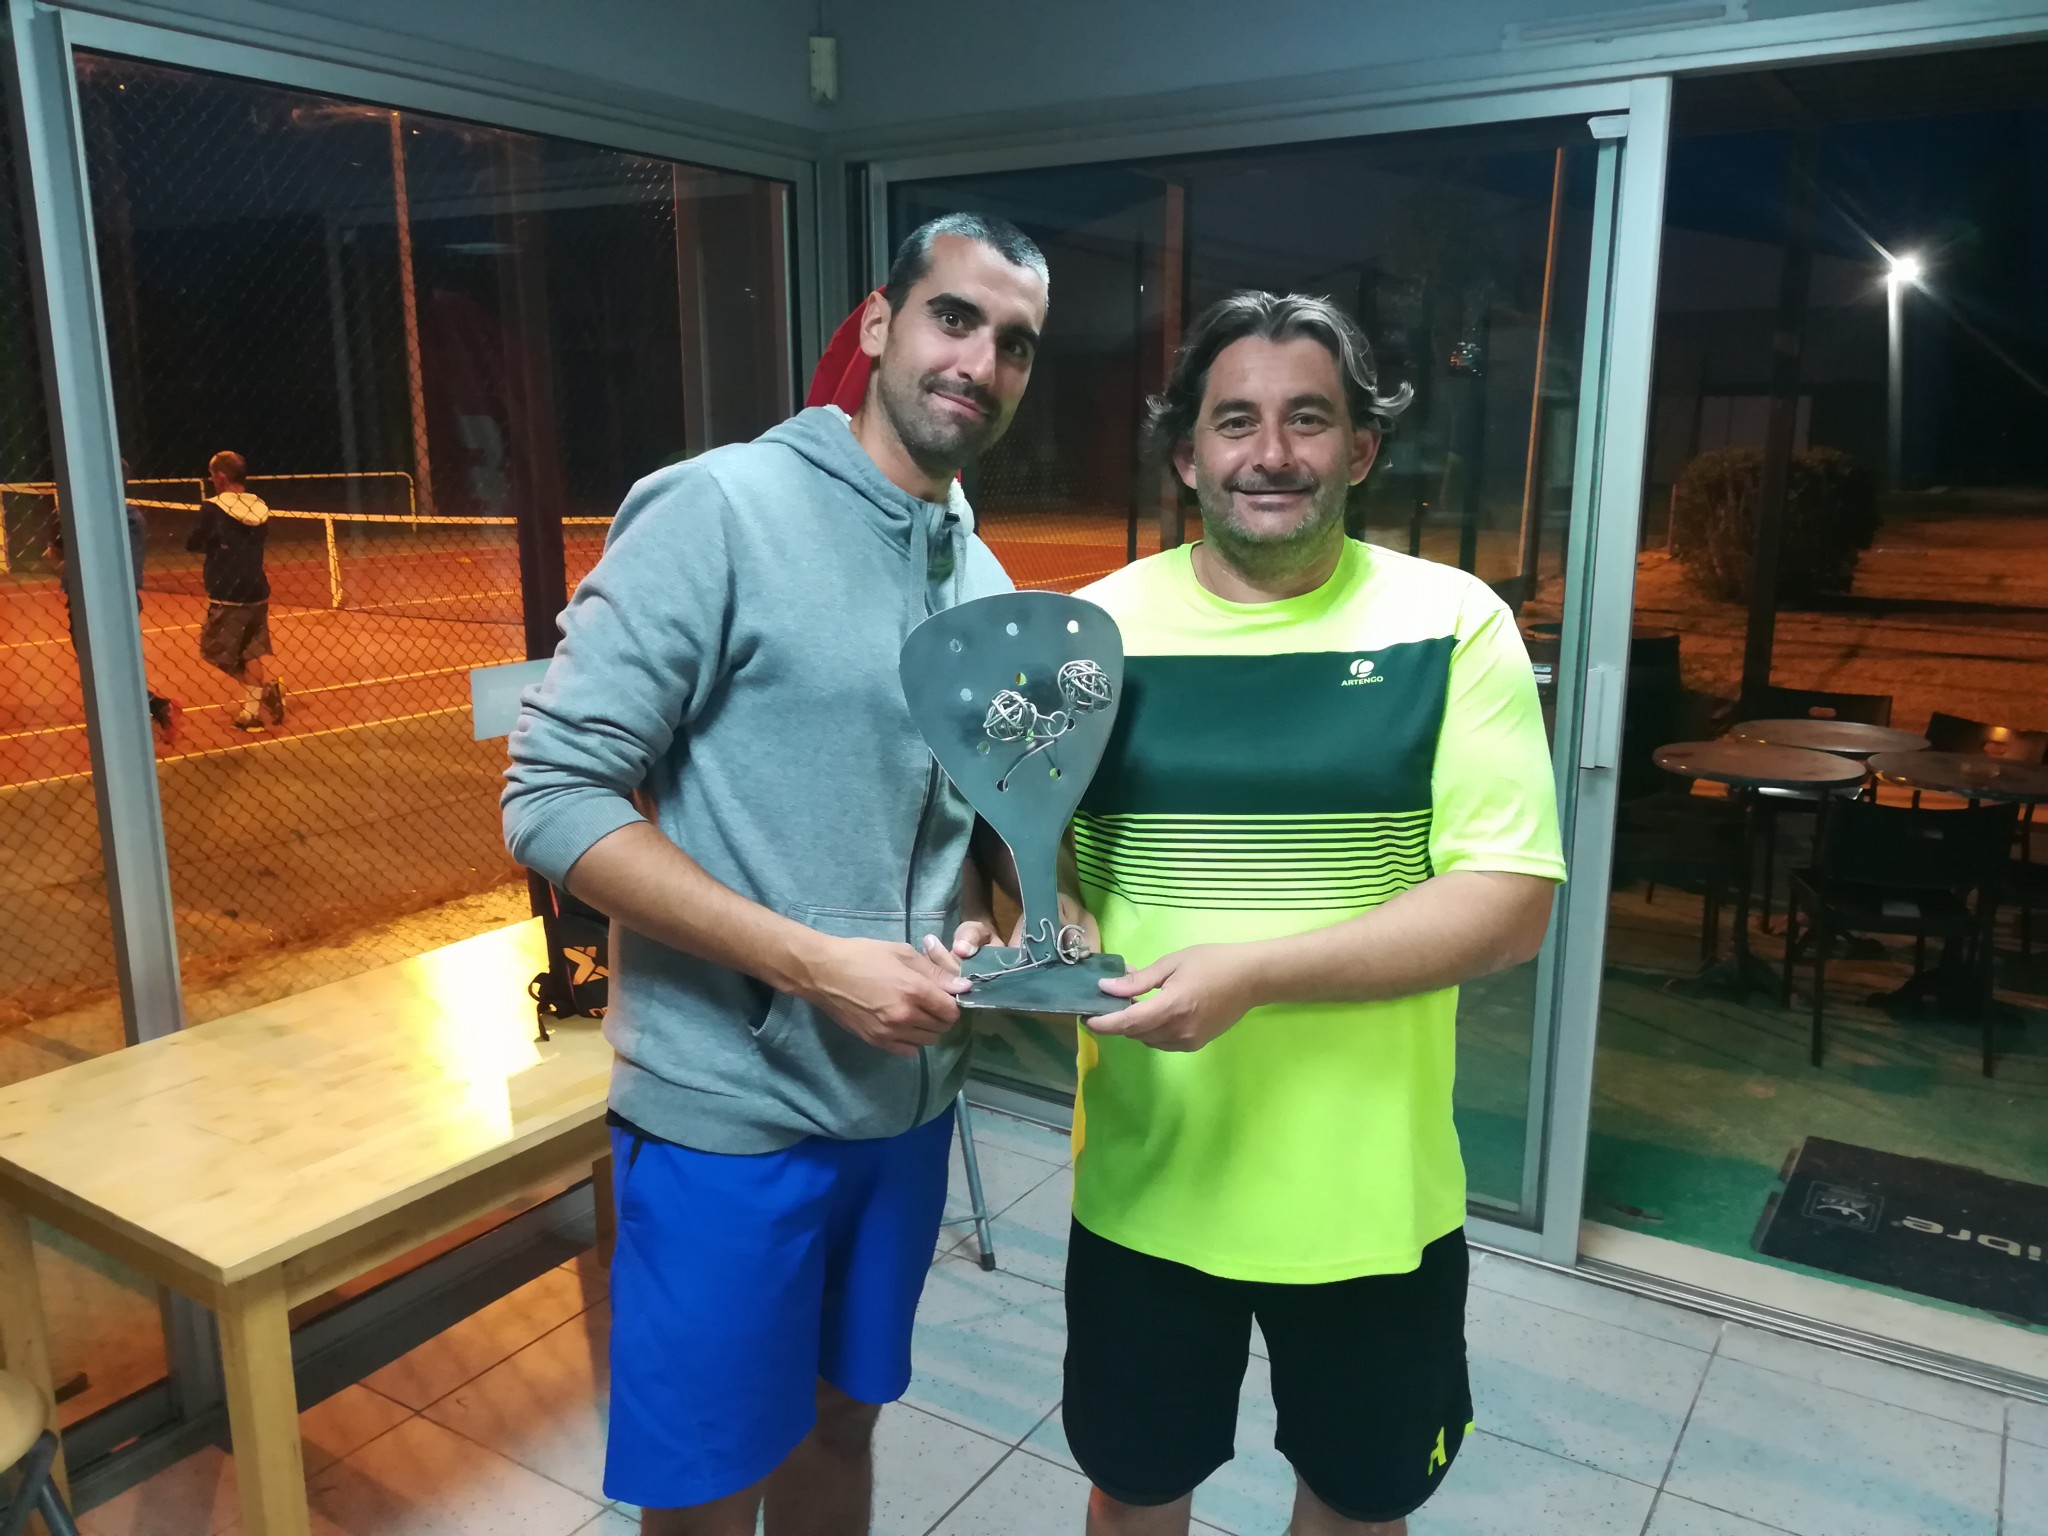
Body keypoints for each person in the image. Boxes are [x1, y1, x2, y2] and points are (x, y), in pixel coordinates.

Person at [502, 211, 1050, 1536]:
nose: (979, 361)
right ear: (880, 323)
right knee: (707, 1487)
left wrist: (997, 922)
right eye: (954, 317)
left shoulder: (980, 574)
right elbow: (551, 798)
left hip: (904, 1110)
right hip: (728, 1119)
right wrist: (811, 965)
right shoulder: (720, 509)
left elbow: (967, 832)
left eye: (1015, 342)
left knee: (840, 1428)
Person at [1057, 292, 1566, 1536]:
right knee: (1132, 1492)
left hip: (1370, 1202)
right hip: (1143, 1184)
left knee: (1354, 1504)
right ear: (1187, 454)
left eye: (1308, 419)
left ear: (1361, 448)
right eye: (1234, 421)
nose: (1270, 452)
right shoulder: (1091, 635)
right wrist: (1043, 915)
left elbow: (1506, 907)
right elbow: (1031, 855)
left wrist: (1252, 973)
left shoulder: (1451, 625)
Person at [186, 450, 280, 731]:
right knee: (250, 652)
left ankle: (262, 691)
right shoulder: (258, 507)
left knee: (213, 650)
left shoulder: (213, 508)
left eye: (212, 474)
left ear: (221, 476)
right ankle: (251, 714)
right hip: (257, 589)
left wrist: (216, 544)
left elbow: (193, 542)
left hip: (228, 592)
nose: (210, 479)